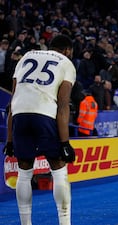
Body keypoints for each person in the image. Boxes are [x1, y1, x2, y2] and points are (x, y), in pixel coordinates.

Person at [3, 34, 76, 225]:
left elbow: (13, 102)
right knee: (59, 170)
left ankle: (25, 223)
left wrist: (9, 139)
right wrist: (65, 142)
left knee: (24, 172)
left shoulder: (26, 57)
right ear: (67, 50)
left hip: (20, 115)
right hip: (45, 113)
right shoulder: (66, 63)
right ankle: (64, 222)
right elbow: (63, 106)